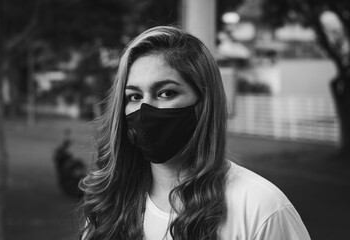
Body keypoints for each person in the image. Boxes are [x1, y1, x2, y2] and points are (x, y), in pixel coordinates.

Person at [79, 26, 311, 240]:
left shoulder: (261, 208)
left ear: (204, 102)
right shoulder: (110, 205)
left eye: (166, 93)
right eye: (135, 96)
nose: (145, 110)